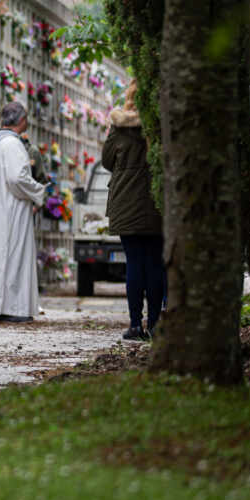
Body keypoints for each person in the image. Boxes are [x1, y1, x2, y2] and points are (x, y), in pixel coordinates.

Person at [101, 83, 164, 341]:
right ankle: (157, 324)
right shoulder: (160, 125)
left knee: (135, 264)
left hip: (126, 205)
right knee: (156, 264)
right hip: (155, 203)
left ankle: (136, 324)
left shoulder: (119, 128)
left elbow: (106, 161)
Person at [0, 102, 46, 322]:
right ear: (21, 120)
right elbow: (17, 178)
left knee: (2, 259)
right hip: (12, 210)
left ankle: (4, 306)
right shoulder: (12, 145)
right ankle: (15, 307)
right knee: (14, 257)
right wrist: (38, 191)